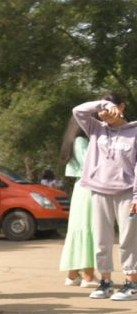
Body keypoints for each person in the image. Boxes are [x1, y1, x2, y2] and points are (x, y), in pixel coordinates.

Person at [74, 94, 137, 300]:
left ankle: (131, 283)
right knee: (102, 239)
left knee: (128, 239)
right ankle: (106, 282)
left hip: (127, 193)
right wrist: (103, 104)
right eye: (102, 110)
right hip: (99, 191)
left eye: (110, 109)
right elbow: (77, 111)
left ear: (122, 107)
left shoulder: (134, 132)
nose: (105, 114)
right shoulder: (96, 128)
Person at [58, 117, 97, 287]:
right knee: (89, 228)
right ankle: (88, 275)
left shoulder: (74, 140)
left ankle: (73, 275)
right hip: (90, 188)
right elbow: (92, 167)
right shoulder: (81, 141)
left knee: (79, 228)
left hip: (81, 187)